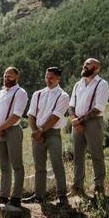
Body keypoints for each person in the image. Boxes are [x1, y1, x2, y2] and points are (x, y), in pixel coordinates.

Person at [25, 67, 71, 205]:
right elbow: (31, 114)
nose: (48, 80)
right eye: (46, 77)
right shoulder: (37, 94)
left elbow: (55, 117)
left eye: (51, 77)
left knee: (57, 163)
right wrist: (35, 131)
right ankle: (38, 196)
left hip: (52, 133)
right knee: (39, 166)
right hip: (36, 133)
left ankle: (62, 195)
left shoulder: (63, 96)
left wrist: (41, 131)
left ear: (58, 78)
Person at [70, 57, 109, 196]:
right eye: (85, 64)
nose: (85, 66)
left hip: (93, 122)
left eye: (89, 65)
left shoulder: (102, 84)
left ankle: (99, 188)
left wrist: (79, 120)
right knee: (78, 156)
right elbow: (71, 105)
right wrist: (74, 120)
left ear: (96, 69)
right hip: (77, 123)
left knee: (96, 155)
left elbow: (98, 108)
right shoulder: (77, 84)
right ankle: (77, 187)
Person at [0, 67, 28, 207]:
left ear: (16, 78)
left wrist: (0, 128)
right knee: (4, 165)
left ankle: (17, 197)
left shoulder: (20, 92)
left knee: (17, 164)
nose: (6, 78)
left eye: (10, 76)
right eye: (5, 75)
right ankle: (3, 196)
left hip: (12, 130)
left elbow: (16, 115)